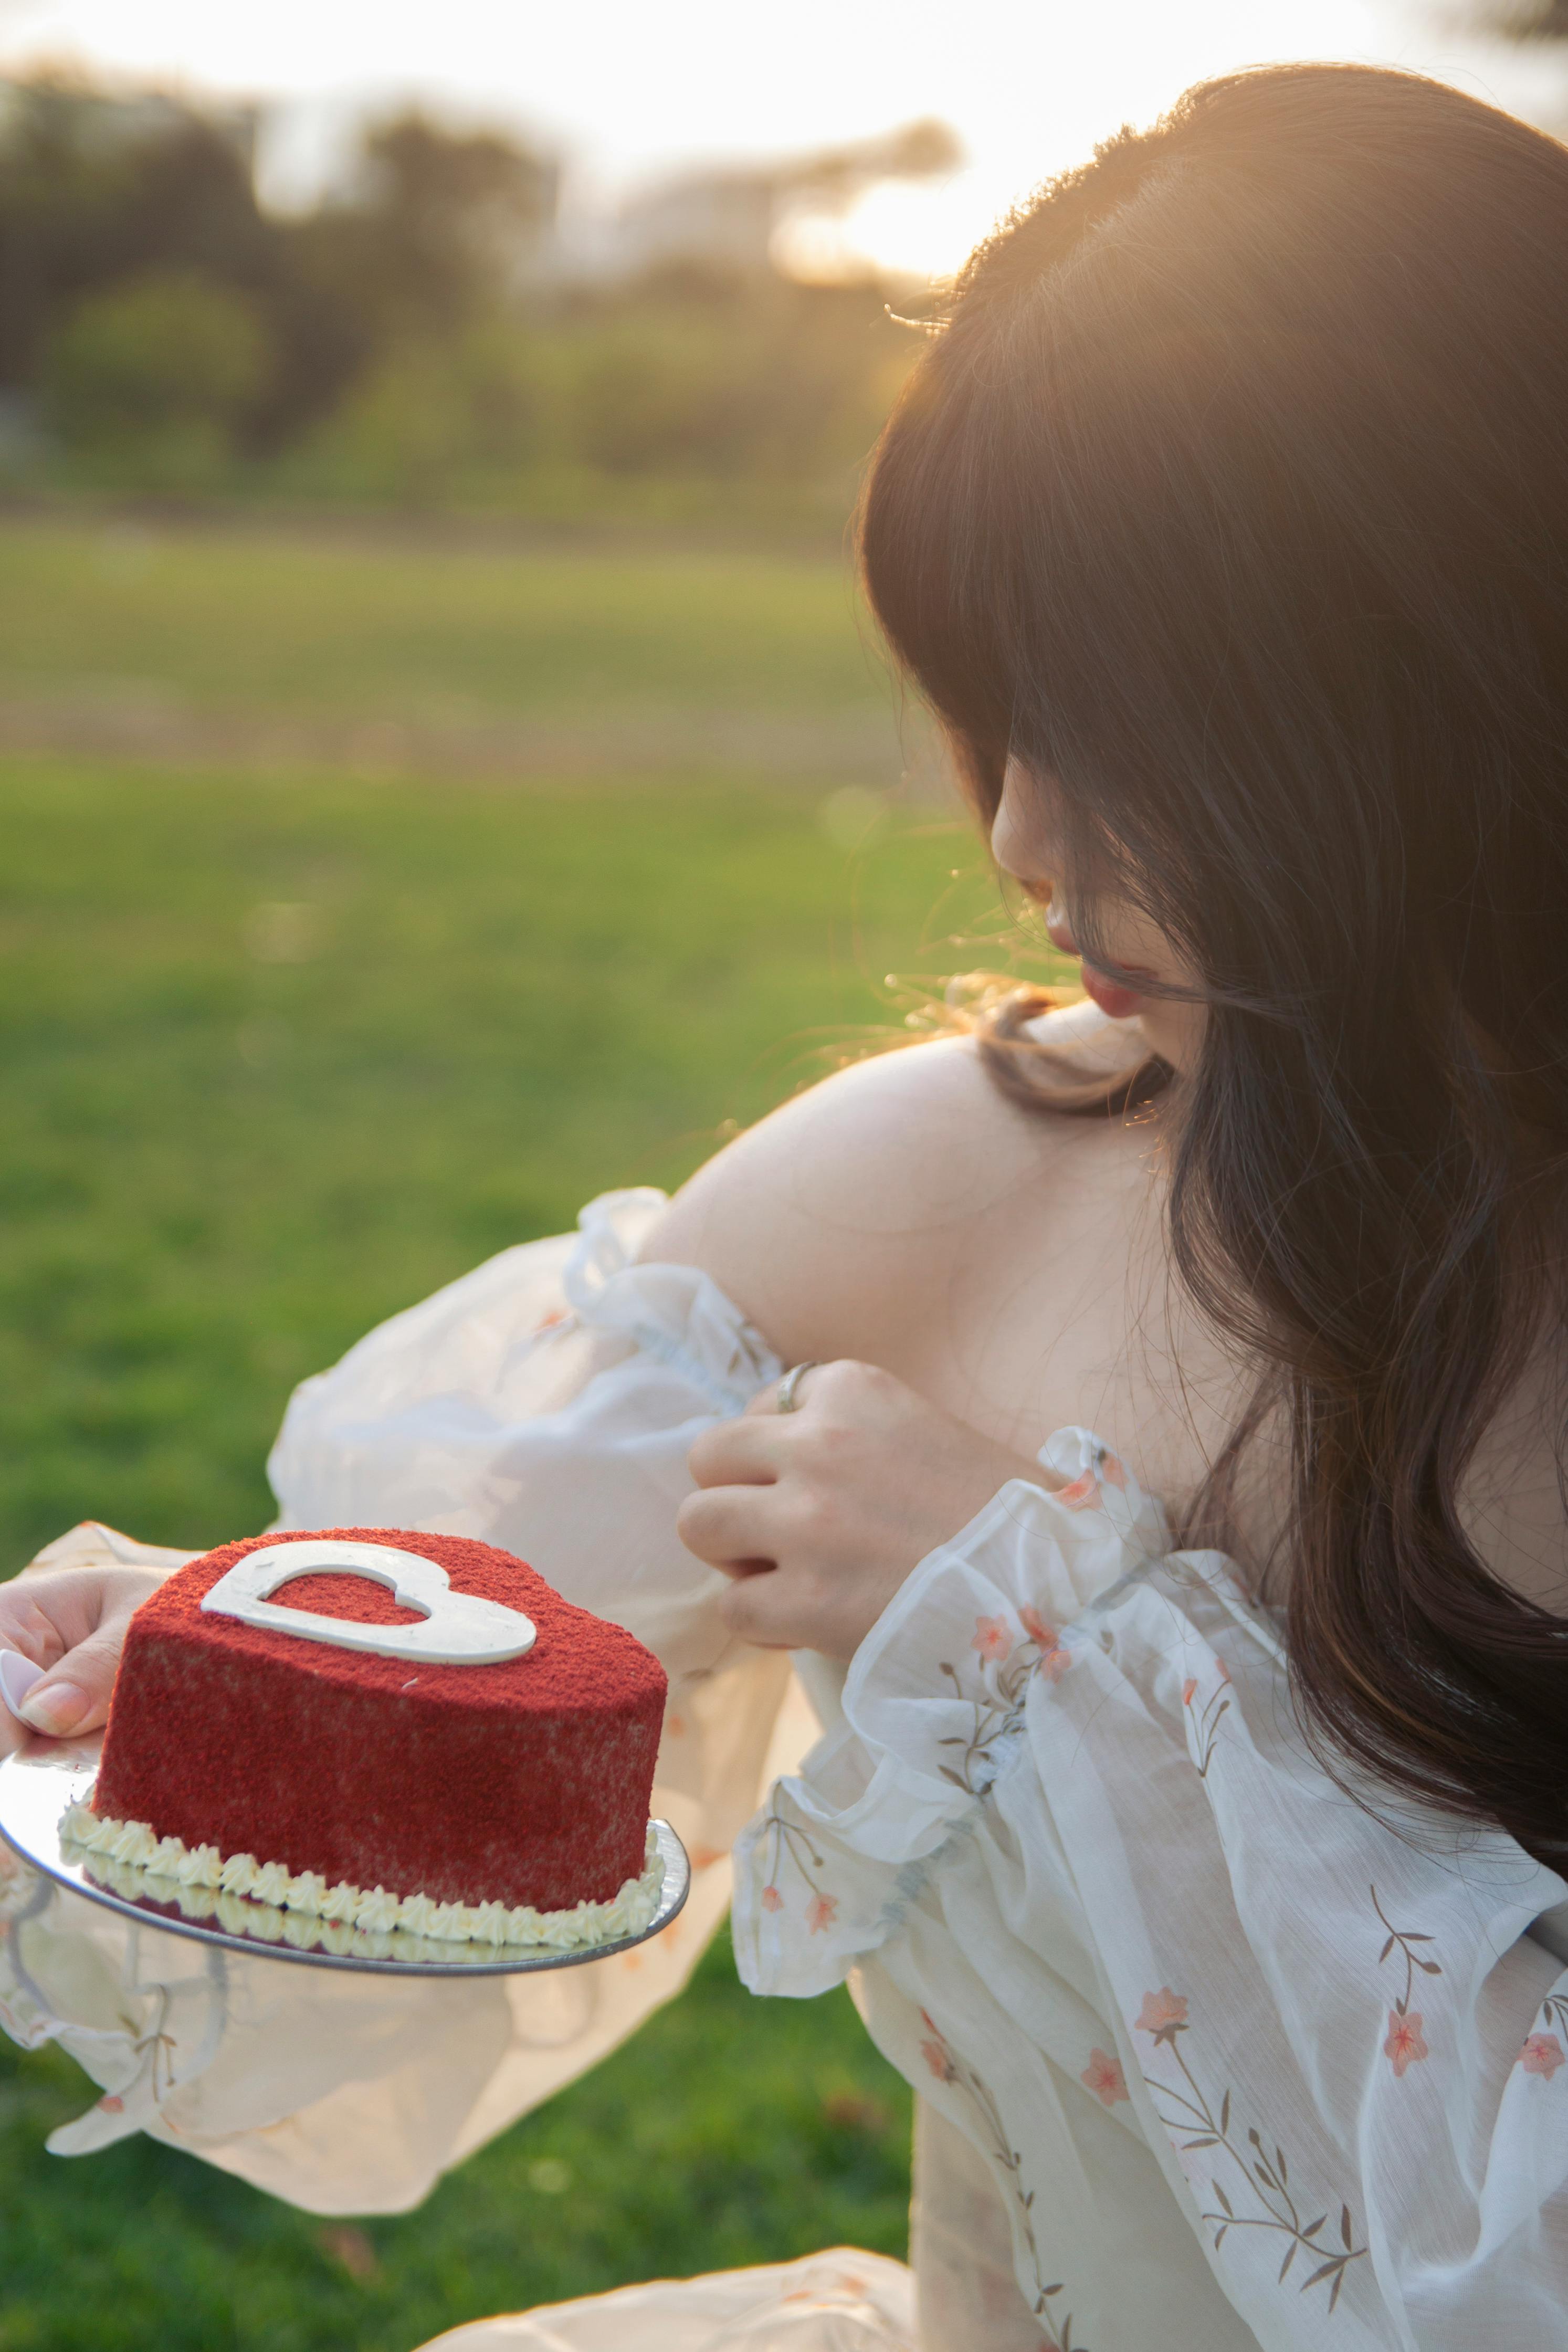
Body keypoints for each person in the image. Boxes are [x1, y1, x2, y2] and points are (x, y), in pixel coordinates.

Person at [6, 57, 1568, 2349]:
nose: (1026, 834)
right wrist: (219, 1665)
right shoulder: (958, 1186)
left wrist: (1036, 1628)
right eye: (994, 701)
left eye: (1138, 722)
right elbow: (514, 1677)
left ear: (1448, 690)